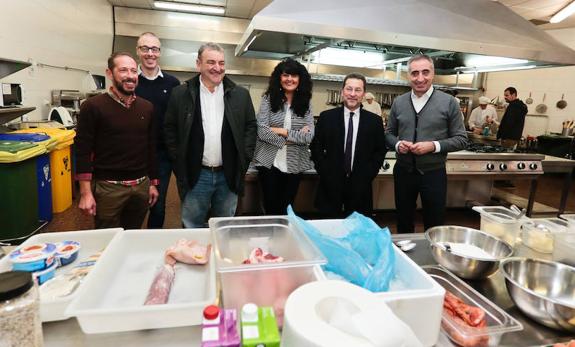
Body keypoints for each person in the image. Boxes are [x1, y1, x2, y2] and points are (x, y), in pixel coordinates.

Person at [164, 42, 257, 228]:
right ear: (199, 64)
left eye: (221, 63)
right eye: (211, 62)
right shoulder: (180, 94)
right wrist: (179, 161)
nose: (217, 68)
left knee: (224, 226)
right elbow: (170, 129)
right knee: (192, 225)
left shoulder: (240, 95)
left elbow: (250, 127)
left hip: (228, 174)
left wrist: (244, 159)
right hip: (196, 175)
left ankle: (220, 257)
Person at [75, 52, 159, 229]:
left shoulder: (147, 107)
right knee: (107, 238)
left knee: (133, 234)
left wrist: (152, 184)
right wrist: (85, 193)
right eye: (123, 70)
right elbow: (82, 151)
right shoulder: (92, 106)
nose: (130, 76)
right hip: (108, 188)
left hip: (140, 186)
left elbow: (151, 147)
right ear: (109, 73)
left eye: (133, 71)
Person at [385, 54, 467, 233]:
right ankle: (405, 255)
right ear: (408, 76)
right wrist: (398, 145)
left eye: (425, 72)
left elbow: (461, 139)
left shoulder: (448, 102)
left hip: (434, 173)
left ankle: (433, 255)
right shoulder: (399, 102)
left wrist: (434, 146)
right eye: (414, 73)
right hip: (404, 172)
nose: (420, 78)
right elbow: (389, 134)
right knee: (403, 219)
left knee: (435, 221)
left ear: (433, 73)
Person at [310, 73, 386, 217]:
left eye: (357, 90)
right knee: (329, 230)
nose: (352, 94)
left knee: (356, 234)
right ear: (342, 92)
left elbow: (379, 151)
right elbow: (316, 148)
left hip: (361, 187)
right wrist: (325, 172)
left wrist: (368, 174)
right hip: (330, 185)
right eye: (349, 89)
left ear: (363, 94)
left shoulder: (374, 121)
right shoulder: (327, 117)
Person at [252, 59, 314, 215]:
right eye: (286, 75)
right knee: (270, 208)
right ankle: (271, 238)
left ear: (300, 79)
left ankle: (283, 238)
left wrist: (281, 131)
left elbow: (309, 137)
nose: (290, 79)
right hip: (269, 162)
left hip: (294, 162)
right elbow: (262, 131)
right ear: (279, 78)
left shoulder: (305, 103)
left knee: (287, 209)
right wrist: (295, 137)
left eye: (294, 75)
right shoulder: (268, 98)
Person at [135, 32, 180, 229]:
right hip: (134, 153)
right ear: (138, 51)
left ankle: (152, 242)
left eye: (154, 49)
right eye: (145, 48)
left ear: (159, 53)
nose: (150, 53)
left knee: (158, 206)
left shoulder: (172, 84)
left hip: (162, 154)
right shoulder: (130, 81)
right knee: (134, 205)